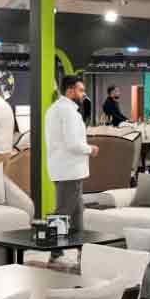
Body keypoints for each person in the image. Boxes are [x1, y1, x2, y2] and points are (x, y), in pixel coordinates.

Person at [46, 75, 98, 233]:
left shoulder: (54, 109)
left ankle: (79, 245)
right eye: (80, 90)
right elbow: (73, 143)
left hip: (63, 168)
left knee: (76, 213)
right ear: (70, 91)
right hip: (70, 170)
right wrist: (90, 149)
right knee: (63, 213)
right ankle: (54, 246)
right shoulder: (68, 112)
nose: (83, 94)